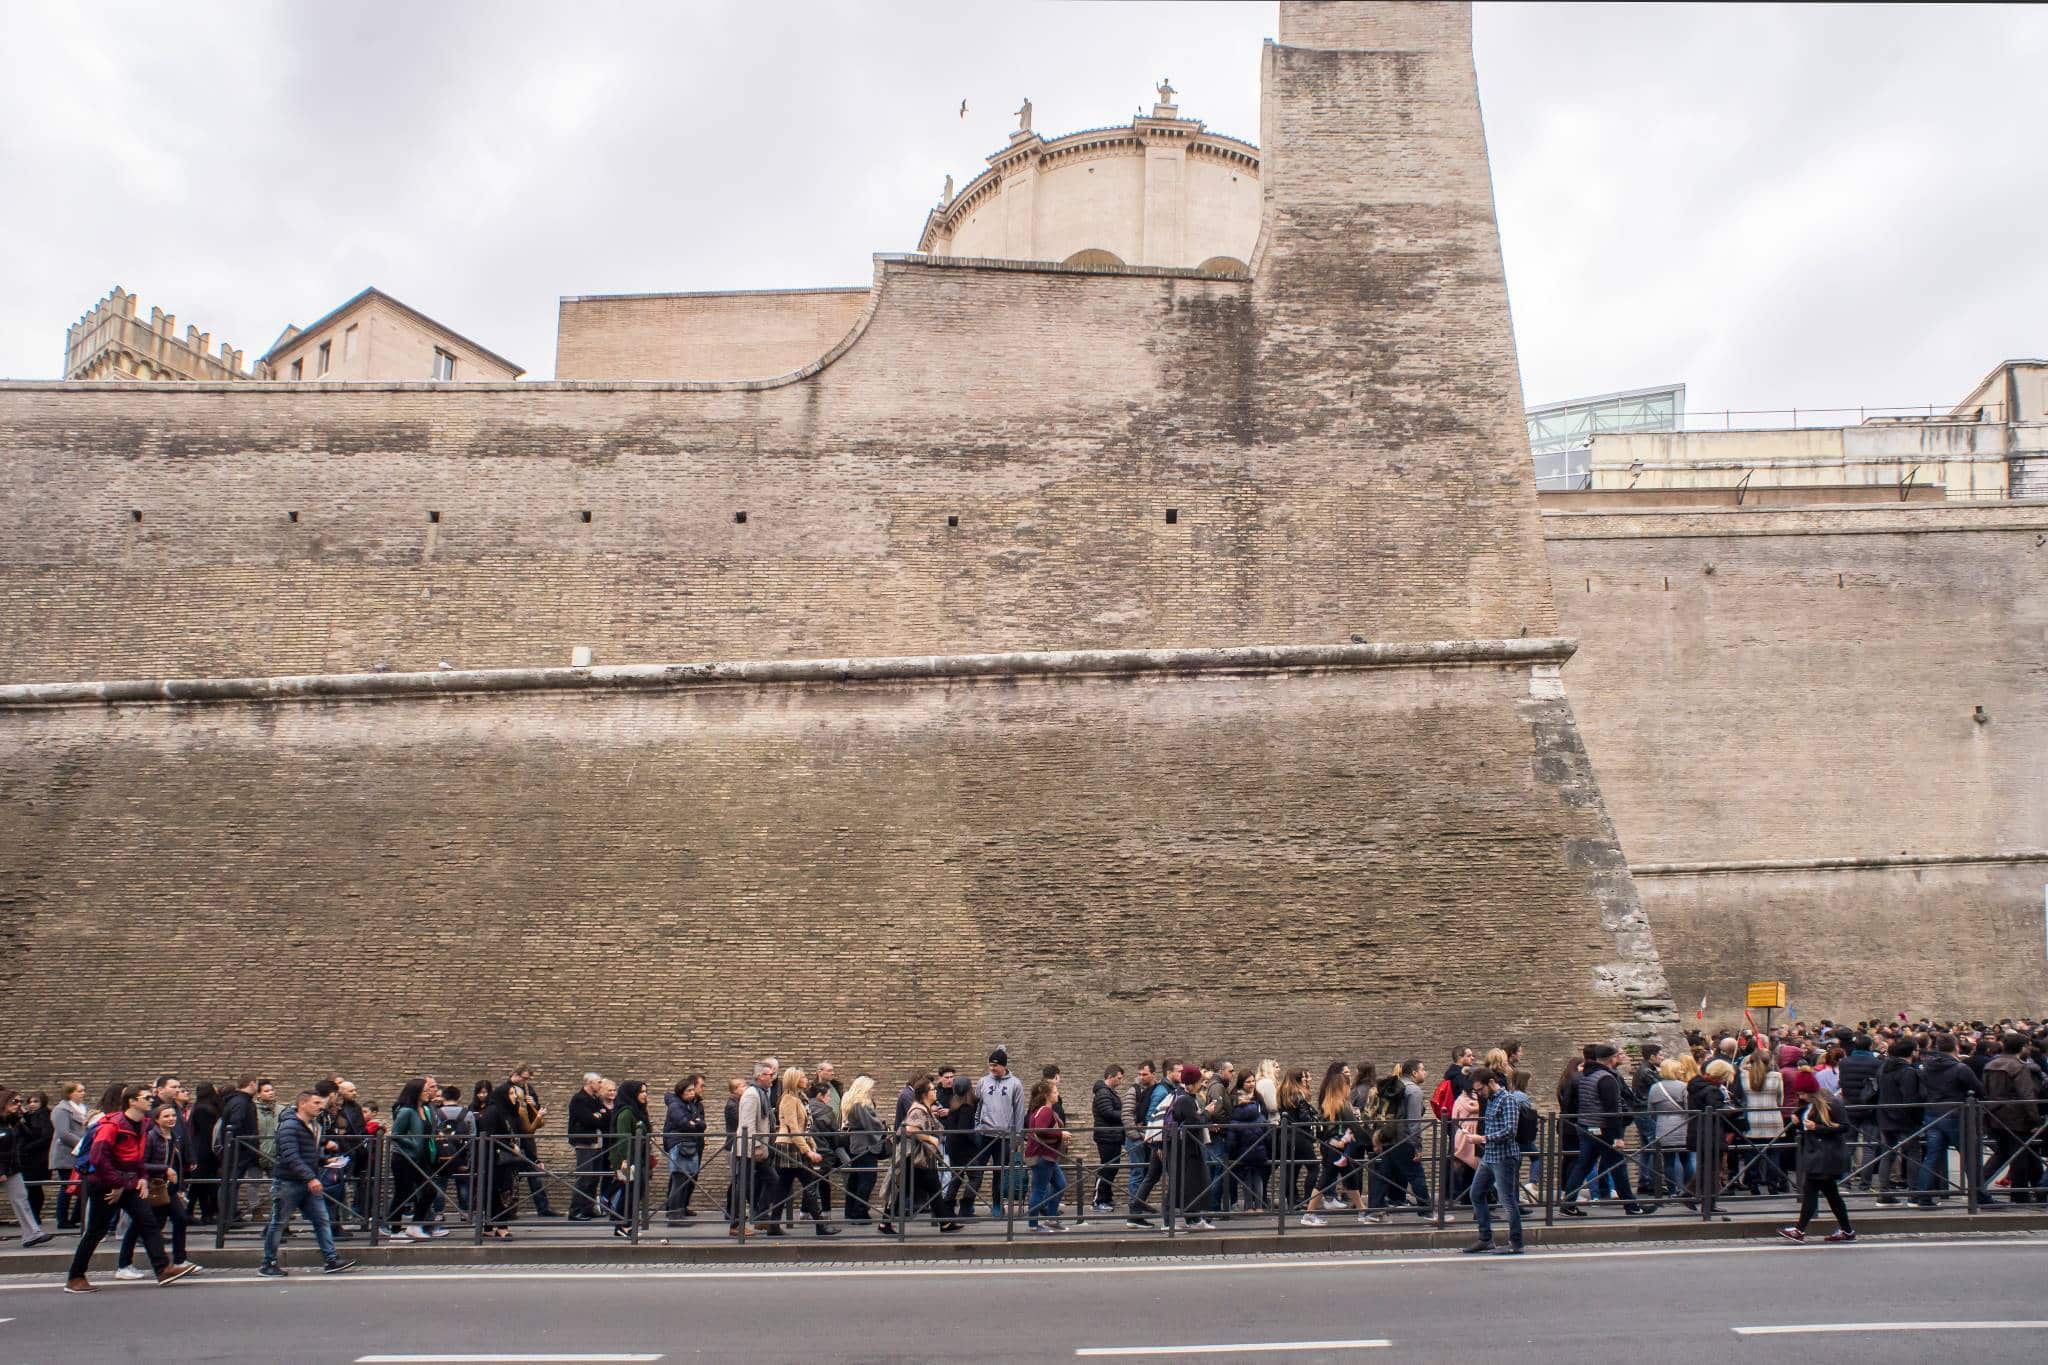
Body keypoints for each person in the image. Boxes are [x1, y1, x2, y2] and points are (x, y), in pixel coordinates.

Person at [64, 1085, 193, 1292]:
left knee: (148, 1222)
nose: (151, 1100)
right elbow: (99, 1158)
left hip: (128, 1183)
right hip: (106, 1185)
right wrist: (117, 1184)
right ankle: (75, 1277)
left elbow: (138, 1157)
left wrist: (141, 1177)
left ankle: (163, 1269)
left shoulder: (142, 1124)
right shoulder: (112, 1125)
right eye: (146, 1097)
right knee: (96, 1231)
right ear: (132, 1101)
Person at [255, 1090, 354, 1278]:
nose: (321, 1106)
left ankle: (331, 1259)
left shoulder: (313, 1126)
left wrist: (324, 1161)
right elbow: (290, 1155)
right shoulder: (289, 1126)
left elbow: (308, 1154)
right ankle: (268, 1263)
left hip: (307, 1181)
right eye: (316, 1103)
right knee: (279, 1223)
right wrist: (311, 1177)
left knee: (322, 1219)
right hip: (288, 1182)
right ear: (302, 1104)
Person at [114, 1099, 195, 1277]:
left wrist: (180, 1186)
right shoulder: (150, 1137)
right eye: (166, 1116)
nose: (171, 1119)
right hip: (152, 1186)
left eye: (173, 1115)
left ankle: (180, 1259)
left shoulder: (175, 1137)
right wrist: (164, 1169)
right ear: (156, 1120)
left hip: (168, 1188)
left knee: (181, 1219)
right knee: (139, 1226)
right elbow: (142, 1164)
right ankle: (124, 1265)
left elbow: (177, 1164)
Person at [1562, 1045, 1645, 1215]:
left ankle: (1567, 1204)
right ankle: (1631, 1206)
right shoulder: (1606, 1078)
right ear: (1611, 1058)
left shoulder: (1584, 1076)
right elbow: (1611, 1110)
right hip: (1603, 1129)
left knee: (1583, 1166)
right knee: (1618, 1167)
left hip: (1586, 1127)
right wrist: (1617, 1137)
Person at [878, 1076, 958, 1234]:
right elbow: (909, 1129)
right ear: (925, 1093)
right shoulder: (917, 1109)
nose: (935, 1092)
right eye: (932, 1090)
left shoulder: (924, 1108)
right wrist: (930, 1138)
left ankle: (945, 1223)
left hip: (917, 1158)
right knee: (910, 1188)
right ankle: (885, 1223)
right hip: (912, 1157)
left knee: (925, 1187)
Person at [1913, 1033, 1982, 1207]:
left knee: (1932, 1156)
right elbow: (1978, 1089)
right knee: (1969, 1155)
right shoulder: (1960, 1068)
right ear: (1956, 1047)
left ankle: (1922, 1195)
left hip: (1933, 1114)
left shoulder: (1927, 1067)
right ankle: (1979, 1195)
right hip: (1955, 1115)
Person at [1778, 1087, 1855, 1243]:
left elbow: (1844, 1126)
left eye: (1802, 1093)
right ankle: (1847, 1231)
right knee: (1832, 1195)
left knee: (1811, 1191)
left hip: (1826, 1155)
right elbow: (1808, 1128)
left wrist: (1817, 1128)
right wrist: (1798, 1121)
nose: (1800, 1096)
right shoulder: (1808, 1106)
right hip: (1817, 1155)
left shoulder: (1831, 1103)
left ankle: (1799, 1230)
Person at [1464, 1067, 1525, 1255]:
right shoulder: (1490, 1100)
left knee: (1507, 1201)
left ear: (1491, 1083)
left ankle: (1516, 1243)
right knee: (1475, 1193)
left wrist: (1482, 1139)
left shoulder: (1508, 1100)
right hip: (1489, 1156)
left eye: (1480, 1089)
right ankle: (1485, 1239)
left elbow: (1510, 1131)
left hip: (1505, 1157)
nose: (1479, 1094)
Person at [1981, 1032, 2043, 1203]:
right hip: (2017, 1117)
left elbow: (1984, 1091)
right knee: (2019, 1155)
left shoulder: (1990, 1065)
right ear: (2022, 1048)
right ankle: (2019, 1193)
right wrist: (2035, 1120)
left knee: (2003, 1153)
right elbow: (2027, 1096)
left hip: (1995, 1115)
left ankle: (1977, 1185)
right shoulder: (2018, 1067)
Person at [1298, 1063, 1362, 1226]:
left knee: (1350, 1178)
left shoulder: (1329, 1102)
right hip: (1338, 1147)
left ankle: (1362, 1210)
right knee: (1325, 1180)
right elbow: (1352, 1126)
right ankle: (1309, 1214)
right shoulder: (1342, 1105)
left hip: (1333, 1145)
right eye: (1347, 1086)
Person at [973, 1047, 1026, 1217]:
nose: (992, 1069)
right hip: (984, 1135)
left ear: (1003, 1066)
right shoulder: (982, 1082)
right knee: (975, 1170)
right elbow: (977, 1106)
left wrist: (1017, 1137)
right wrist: (976, 1127)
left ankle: (997, 1205)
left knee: (999, 1173)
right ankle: (968, 1203)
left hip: (1003, 1138)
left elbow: (1019, 1112)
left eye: (995, 1066)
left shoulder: (1015, 1084)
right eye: (990, 1066)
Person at [385, 1078, 440, 1240]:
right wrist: (414, 1142)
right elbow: (395, 1135)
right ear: (415, 1092)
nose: (427, 1093)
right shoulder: (406, 1111)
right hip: (403, 1158)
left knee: (430, 1191)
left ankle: (415, 1226)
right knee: (403, 1193)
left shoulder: (423, 1109)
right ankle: (394, 1231)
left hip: (420, 1158)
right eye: (424, 1090)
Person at [0, 1089, 54, 1247]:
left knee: (21, 1199)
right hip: (2, 1168)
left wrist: (23, 1117)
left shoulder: (12, 1121)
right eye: (15, 1101)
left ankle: (32, 1234)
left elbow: (32, 1134)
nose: (18, 1105)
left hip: (12, 1168)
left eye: (20, 1102)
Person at [1873, 1038, 1925, 1202]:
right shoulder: (1907, 1071)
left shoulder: (1883, 1068)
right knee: (1913, 1153)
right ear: (1911, 1052)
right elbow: (1910, 1098)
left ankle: (1884, 1193)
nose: (1918, 1053)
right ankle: (1914, 1193)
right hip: (1904, 1118)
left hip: (1885, 1116)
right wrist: (1917, 1118)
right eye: (1916, 1050)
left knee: (1887, 1154)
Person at [732, 1058, 778, 1237]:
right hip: (749, 1150)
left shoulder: (761, 1093)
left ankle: (759, 1215)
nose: (772, 1079)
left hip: (758, 1149)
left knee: (772, 1180)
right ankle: (736, 1225)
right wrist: (757, 1146)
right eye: (769, 1075)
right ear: (760, 1076)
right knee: (742, 1185)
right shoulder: (752, 1094)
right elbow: (747, 1124)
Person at [1165, 1064, 1214, 1230]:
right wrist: (1207, 1113)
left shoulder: (1186, 1098)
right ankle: (1171, 1222)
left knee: (1192, 1185)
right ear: (1192, 1083)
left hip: (1189, 1148)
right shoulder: (1185, 1099)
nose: (1202, 1085)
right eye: (1200, 1082)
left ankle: (1193, 1218)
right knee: (1186, 1184)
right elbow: (1194, 1122)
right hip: (1187, 1150)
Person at [605, 1080, 651, 1235]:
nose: (645, 1095)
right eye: (641, 1092)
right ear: (632, 1094)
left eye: (645, 1091)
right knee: (628, 1191)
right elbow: (623, 1138)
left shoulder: (638, 1111)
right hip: (624, 1161)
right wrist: (626, 1160)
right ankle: (622, 1226)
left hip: (638, 1158)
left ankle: (626, 1223)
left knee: (634, 1190)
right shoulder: (626, 1113)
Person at [839, 1075, 886, 1224]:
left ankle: (852, 1211)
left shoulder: (852, 1102)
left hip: (857, 1144)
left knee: (856, 1179)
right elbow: (871, 1123)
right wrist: (883, 1126)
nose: (873, 1091)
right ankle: (859, 1213)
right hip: (865, 1145)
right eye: (871, 1088)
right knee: (867, 1179)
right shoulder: (861, 1104)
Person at [1025, 1077, 1068, 1231]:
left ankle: (1051, 1218)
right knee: (1039, 1189)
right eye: (1055, 1092)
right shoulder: (1045, 1111)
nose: (1058, 1094)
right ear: (1046, 1095)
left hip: (1048, 1156)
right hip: (1042, 1156)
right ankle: (1033, 1224)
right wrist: (1060, 1135)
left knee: (1060, 1184)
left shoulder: (1040, 1110)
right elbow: (1040, 1131)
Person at [1741, 1050, 1787, 1195]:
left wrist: (1743, 1067)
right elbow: (1780, 1100)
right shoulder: (1777, 1076)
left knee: (1752, 1155)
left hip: (1752, 1120)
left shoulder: (1744, 1076)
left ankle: (1753, 1185)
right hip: (1772, 1119)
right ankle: (1772, 1185)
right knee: (1773, 1155)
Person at [1225, 1073, 1272, 1213]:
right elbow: (1266, 1125)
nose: (1251, 1084)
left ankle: (1249, 1206)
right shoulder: (1235, 1098)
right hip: (1258, 1148)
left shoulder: (1255, 1099)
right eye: (1248, 1082)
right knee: (1257, 1176)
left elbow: (1232, 1134)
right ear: (1241, 1083)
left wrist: (1230, 1149)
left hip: (1243, 1148)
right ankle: (1258, 1206)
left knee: (1248, 1177)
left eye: (1253, 1081)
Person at [663, 1075, 707, 1224]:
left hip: (690, 1143)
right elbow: (684, 1123)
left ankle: (679, 1211)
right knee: (679, 1178)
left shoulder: (692, 1104)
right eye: (689, 1090)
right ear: (681, 1092)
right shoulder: (676, 1105)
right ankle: (674, 1215)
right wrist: (694, 1123)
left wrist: (695, 1122)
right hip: (680, 1143)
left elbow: (701, 1124)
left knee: (686, 1177)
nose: (692, 1092)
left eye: (692, 1090)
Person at [566, 1072, 607, 1220]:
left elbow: (604, 1117)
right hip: (584, 1143)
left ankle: (588, 1208)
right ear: (590, 1083)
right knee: (584, 1177)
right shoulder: (579, 1099)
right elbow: (588, 1120)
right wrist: (597, 1116)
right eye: (599, 1082)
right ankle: (575, 1210)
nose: (601, 1085)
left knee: (594, 1177)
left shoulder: (595, 1099)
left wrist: (599, 1115)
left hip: (597, 1142)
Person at [1122, 1061, 1160, 1223]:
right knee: (1137, 1173)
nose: (1141, 1077)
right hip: (1137, 1139)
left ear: (1153, 1074)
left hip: (1149, 1138)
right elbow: (1126, 1114)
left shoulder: (1157, 1089)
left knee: (1146, 1173)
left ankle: (1140, 1203)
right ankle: (1134, 1209)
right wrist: (1136, 1135)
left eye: (1144, 1074)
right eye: (1140, 1074)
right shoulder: (1134, 1090)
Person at [49, 1082, 87, 1230]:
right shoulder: (61, 1109)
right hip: (66, 1154)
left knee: (82, 1186)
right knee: (67, 1186)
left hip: (79, 1154)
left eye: (83, 1091)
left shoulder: (83, 1109)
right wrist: (84, 1144)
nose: (83, 1093)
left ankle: (77, 1217)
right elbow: (64, 1133)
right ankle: (62, 1219)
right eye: (79, 1091)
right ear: (70, 1093)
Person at [1091, 1064, 1125, 1214]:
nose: (1120, 1081)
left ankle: (1106, 1197)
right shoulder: (1103, 1093)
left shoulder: (1108, 1092)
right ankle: (1097, 1201)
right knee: (1107, 1167)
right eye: (1119, 1078)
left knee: (1112, 1167)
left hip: (1112, 1135)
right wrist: (1126, 1114)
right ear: (1110, 1077)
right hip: (1106, 1136)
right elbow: (1108, 1113)